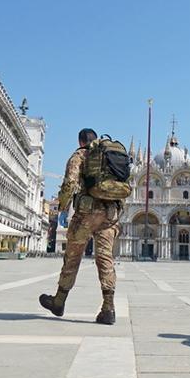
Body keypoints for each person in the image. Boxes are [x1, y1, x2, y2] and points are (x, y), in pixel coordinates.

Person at [39, 128, 121, 325]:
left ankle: (59, 302)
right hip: (110, 215)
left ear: (80, 141)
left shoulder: (80, 155)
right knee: (105, 259)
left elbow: (69, 183)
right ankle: (108, 308)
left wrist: (62, 206)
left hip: (86, 214)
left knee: (73, 257)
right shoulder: (110, 156)